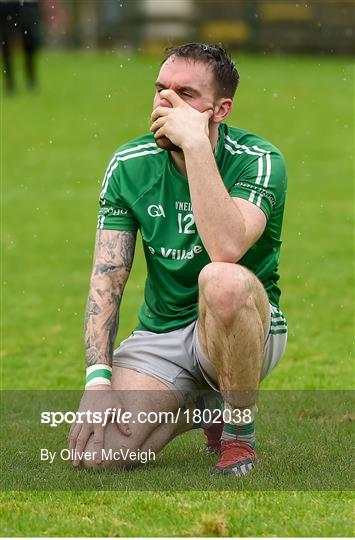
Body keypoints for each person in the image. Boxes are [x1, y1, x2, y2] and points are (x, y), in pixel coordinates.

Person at [68, 43, 288, 477]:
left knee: (220, 278)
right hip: (163, 333)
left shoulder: (260, 161)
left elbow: (228, 248)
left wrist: (197, 149)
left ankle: (238, 433)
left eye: (186, 95)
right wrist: (98, 379)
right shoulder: (129, 165)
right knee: (98, 455)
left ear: (220, 110)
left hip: (243, 322)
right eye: (161, 90)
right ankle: (205, 405)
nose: (167, 103)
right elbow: (107, 280)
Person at [0, 0, 41, 94]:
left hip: (26, 3)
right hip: (6, 4)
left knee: (29, 42)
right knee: (5, 43)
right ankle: (9, 82)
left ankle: (31, 80)